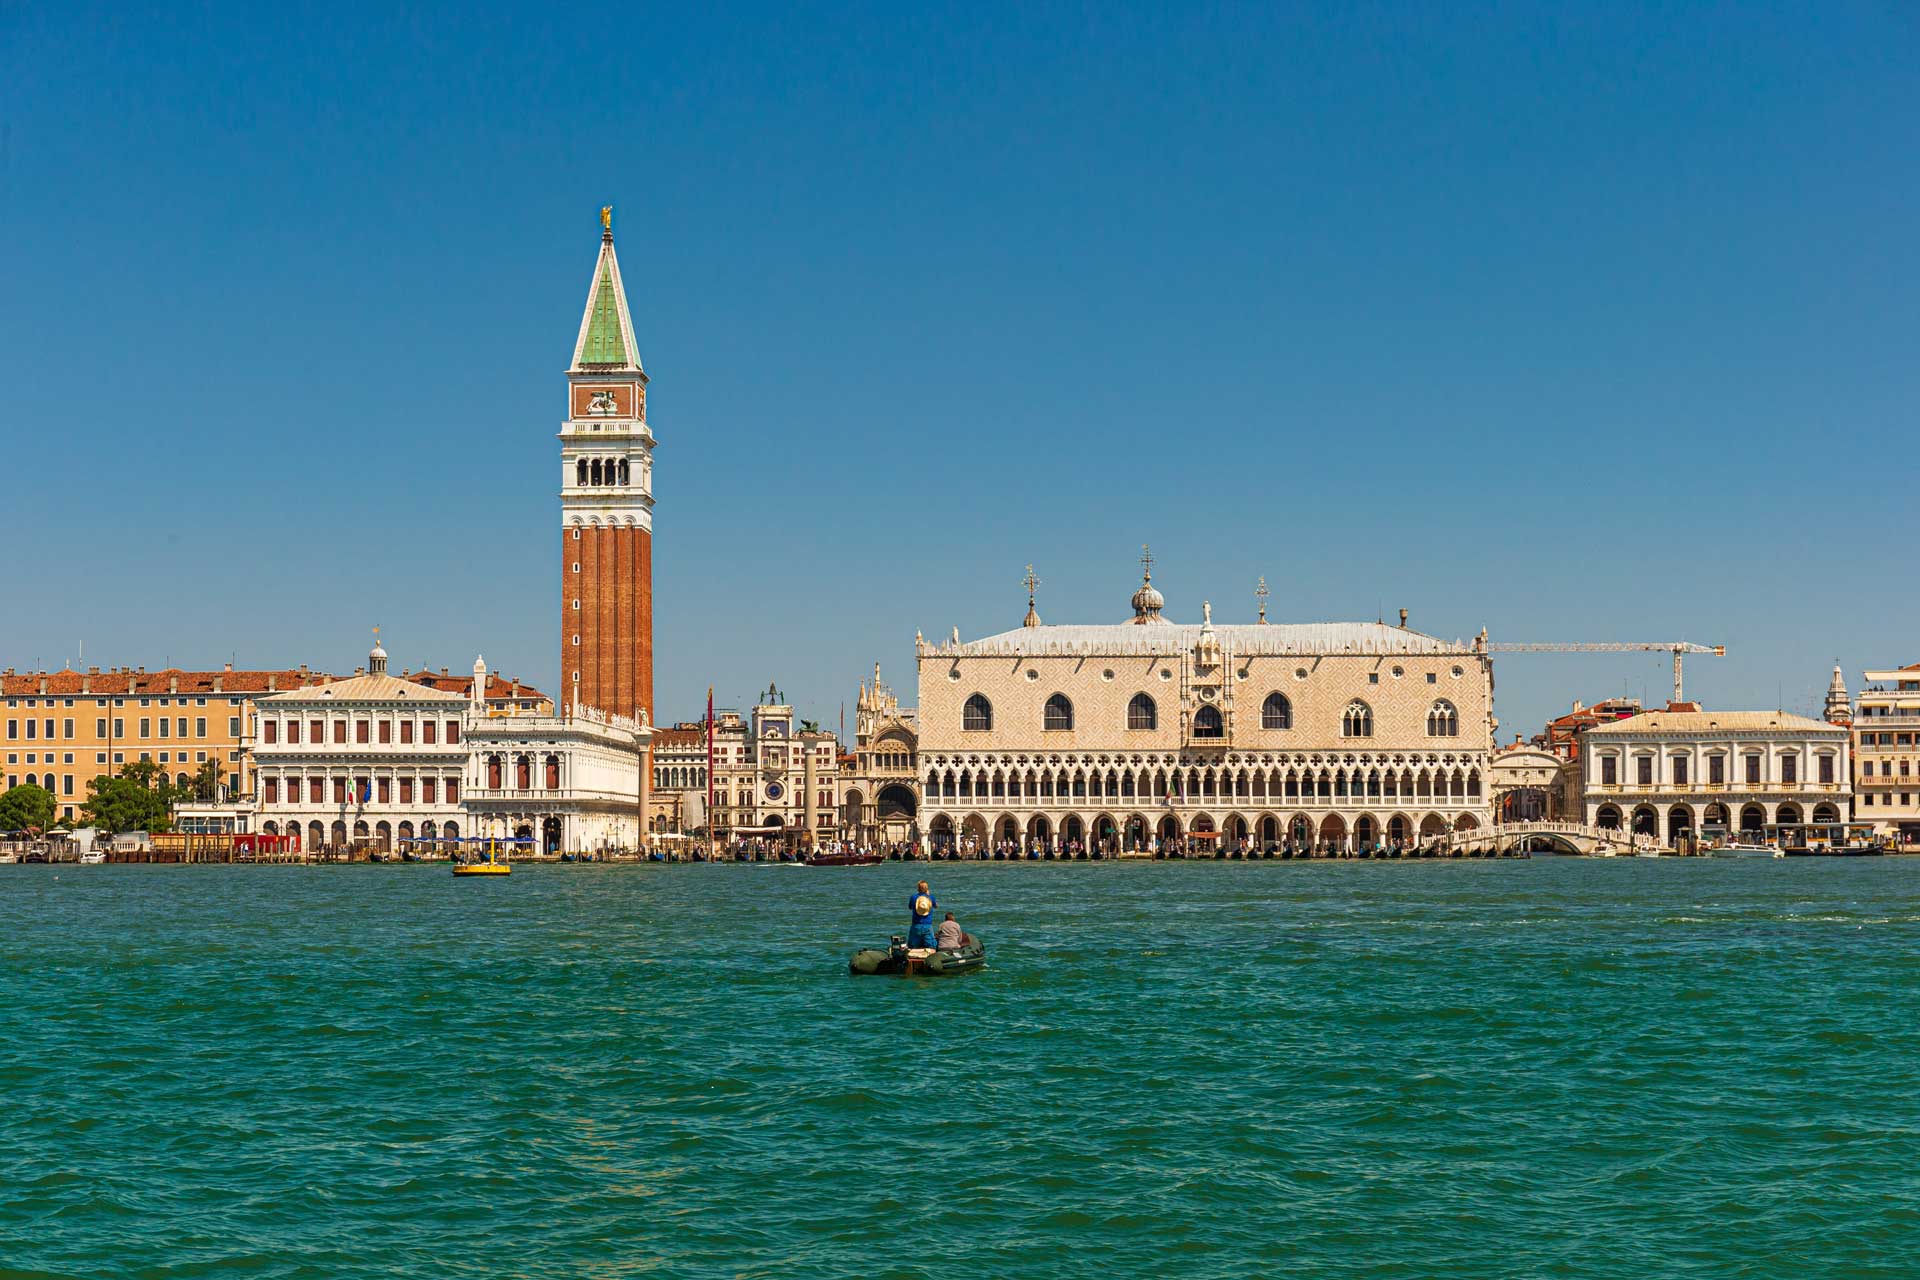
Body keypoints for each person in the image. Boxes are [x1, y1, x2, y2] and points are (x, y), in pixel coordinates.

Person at [906, 880, 937, 949]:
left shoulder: (913, 897)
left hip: (916, 925)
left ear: (918, 888)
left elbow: (910, 907)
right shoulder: (931, 897)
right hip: (927, 926)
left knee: (912, 946)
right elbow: (936, 906)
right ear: (927, 889)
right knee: (931, 946)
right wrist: (928, 895)